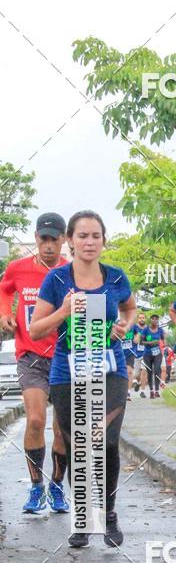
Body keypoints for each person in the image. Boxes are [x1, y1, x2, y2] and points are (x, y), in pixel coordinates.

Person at [30, 210, 137, 548]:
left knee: (105, 441)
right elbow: (35, 330)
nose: (89, 242)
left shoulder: (117, 278)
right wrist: (63, 311)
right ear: (70, 241)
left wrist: (125, 325)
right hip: (68, 371)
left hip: (110, 368)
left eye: (96, 236)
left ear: (104, 241)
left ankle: (108, 514)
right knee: (78, 446)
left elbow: (130, 309)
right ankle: (83, 516)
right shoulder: (57, 280)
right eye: (82, 236)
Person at [0, 213, 70, 514]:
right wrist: (5, 313)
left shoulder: (73, 270)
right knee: (36, 420)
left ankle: (56, 486)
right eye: (44, 239)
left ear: (65, 240)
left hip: (65, 355)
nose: (49, 246)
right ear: (36, 238)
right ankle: (35, 487)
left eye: (55, 239)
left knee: (62, 428)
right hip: (30, 355)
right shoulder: (18, 268)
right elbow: (4, 289)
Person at [140, 314, 164, 398]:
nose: (155, 320)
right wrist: (151, 343)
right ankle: (151, 391)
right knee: (149, 372)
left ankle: (157, 390)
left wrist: (161, 344)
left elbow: (163, 341)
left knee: (157, 370)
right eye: (153, 319)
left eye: (156, 319)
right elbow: (141, 342)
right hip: (147, 354)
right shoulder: (146, 330)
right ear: (150, 320)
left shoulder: (160, 330)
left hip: (157, 353)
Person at [131, 312, 148, 396]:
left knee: (144, 372)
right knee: (136, 374)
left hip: (146, 354)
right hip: (136, 353)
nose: (142, 319)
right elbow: (134, 340)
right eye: (140, 318)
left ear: (145, 319)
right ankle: (138, 382)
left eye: (143, 318)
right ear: (137, 319)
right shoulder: (134, 327)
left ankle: (143, 391)